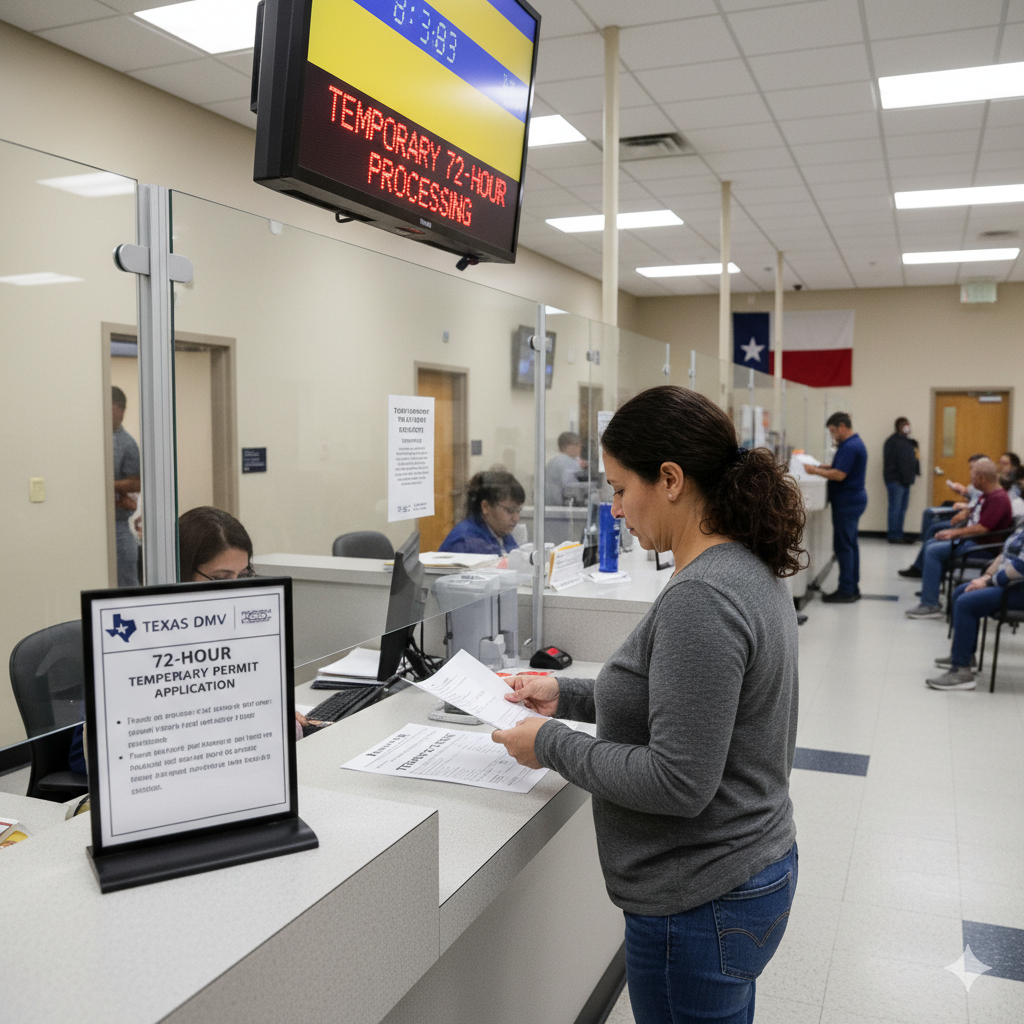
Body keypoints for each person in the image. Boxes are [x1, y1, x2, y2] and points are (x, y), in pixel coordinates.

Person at [492, 385, 804, 1024]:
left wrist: (548, 744)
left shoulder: (703, 596)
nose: (614, 510)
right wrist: (567, 694)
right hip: (745, 871)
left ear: (670, 479)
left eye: (618, 489)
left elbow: (677, 781)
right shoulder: (740, 567)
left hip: (701, 898)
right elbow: (687, 701)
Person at [179, 506, 322, 735]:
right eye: (221, 579)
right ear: (183, 573)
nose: (237, 591)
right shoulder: (163, 641)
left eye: (244, 576)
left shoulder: (244, 628)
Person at [905, 458, 1013, 619]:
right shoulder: (988, 495)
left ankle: (930, 604)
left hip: (982, 548)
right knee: (932, 543)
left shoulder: (998, 498)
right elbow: (976, 517)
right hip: (974, 541)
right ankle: (931, 592)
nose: (971, 479)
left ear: (981, 478)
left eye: (972, 476)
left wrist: (954, 533)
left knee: (933, 551)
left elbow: (983, 528)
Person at [926, 523, 1024, 690]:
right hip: (1010, 585)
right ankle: (965, 657)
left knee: (966, 603)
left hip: (1018, 589)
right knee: (960, 592)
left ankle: (961, 672)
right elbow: (1004, 554)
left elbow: (1021, 568)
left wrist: (989, 582)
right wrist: (987, 576)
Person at [804, 412, 868, 603]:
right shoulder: (853, 444)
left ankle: (846, 590)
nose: (833, 436)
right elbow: (839, 467)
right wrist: (822, 467)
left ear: (842, 427)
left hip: (847, 502)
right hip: (852, 500)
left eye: (833, 432)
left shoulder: (850, 446)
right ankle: (852, 587)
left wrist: (814, 470)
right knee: (850, 545)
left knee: (843, 547)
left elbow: (840, 474)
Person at [899, 453, 989, 579]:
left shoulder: (989, 489)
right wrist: (962, 492)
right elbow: (972, 498)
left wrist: (967, 509)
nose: (971, 473)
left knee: (934, 529)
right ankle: (923, 562)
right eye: (971, 469)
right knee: (930, 514)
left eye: (974, 469)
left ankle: (922, 566)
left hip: (970, 523)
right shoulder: (976, 484)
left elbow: (979, 510)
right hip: (966, 514)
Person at [438, 470, 525, 556]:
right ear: (485, 507)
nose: (516, 518)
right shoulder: (467, 542)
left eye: (518, 510)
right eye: (510, 510)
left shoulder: (501, 532)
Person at [111, 386, 141, 587]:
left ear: (121, 410)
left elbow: (135, 483)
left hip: (119, 526)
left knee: (127, 587)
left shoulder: (127, 444)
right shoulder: (92, 439)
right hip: (92, 522)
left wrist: (106, 485)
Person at [882, 417, 919, 543]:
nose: (907, 427)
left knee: (902, 509)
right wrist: (905, 477)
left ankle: (899, 533)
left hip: (905, 480)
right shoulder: (893, 442)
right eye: (905, 425)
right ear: (899, 427)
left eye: (908, 424)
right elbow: (898, 462)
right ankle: (894, 535)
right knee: (895, 508)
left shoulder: (907, 442)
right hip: (896, 480)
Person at [544, 431, 589, 506]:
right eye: (578, 445)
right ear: (570, 446)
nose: (580, 448)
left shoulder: (553, 461)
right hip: (561, 506)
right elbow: (571, 488)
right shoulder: (567, 462)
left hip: (548, 505)